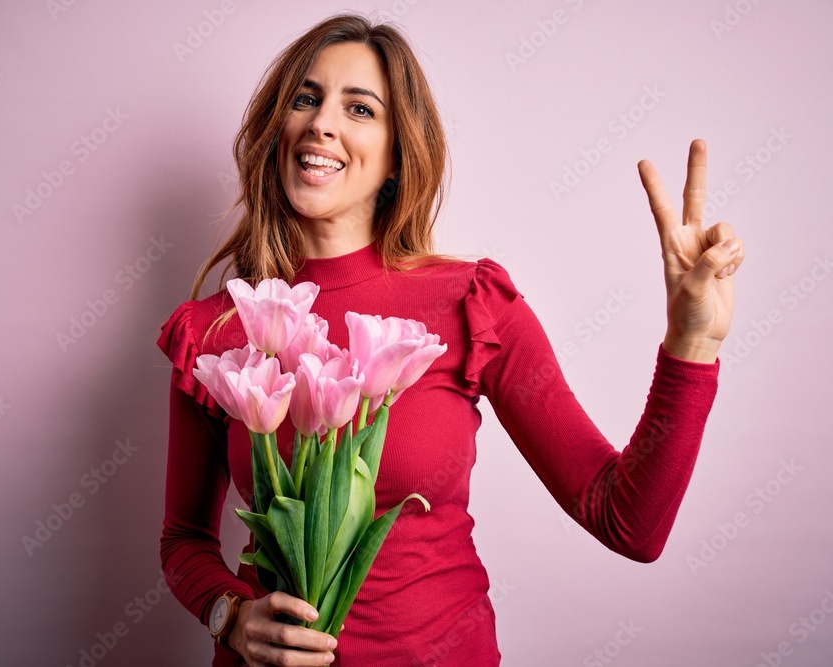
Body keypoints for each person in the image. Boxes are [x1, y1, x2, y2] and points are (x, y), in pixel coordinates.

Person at [156, 13, 744, 667]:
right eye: (306, 98)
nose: (322, 123)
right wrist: (231, 616)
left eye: (360, 108)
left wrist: (692, 346)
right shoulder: (214, 330)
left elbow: (627, 521)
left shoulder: (470, 303)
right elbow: (183, 540)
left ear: (396, 157)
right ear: (277, 128)